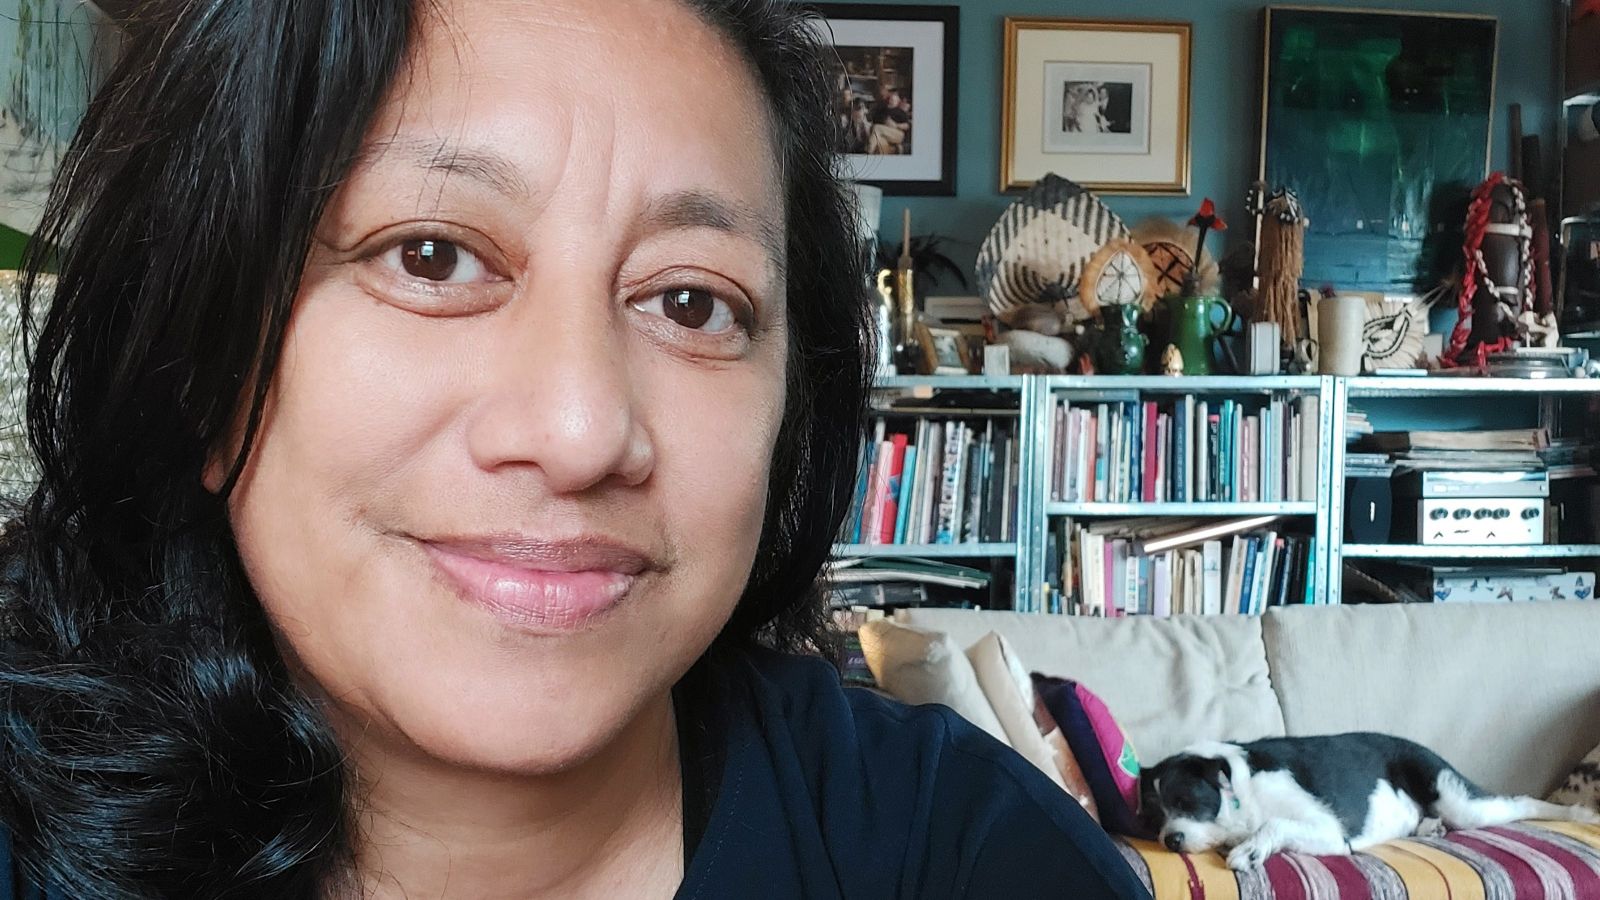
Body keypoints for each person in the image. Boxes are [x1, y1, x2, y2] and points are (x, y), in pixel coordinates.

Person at [0, 1, 1152, 898]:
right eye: (434, 257)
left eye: (693, 304)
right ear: (208, 367)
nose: (580, 430)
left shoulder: (967, 854)